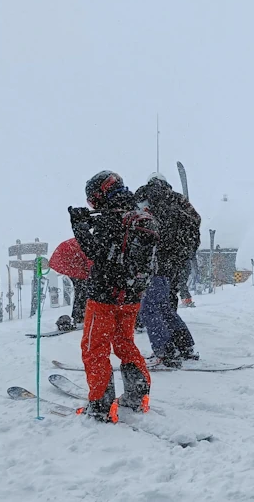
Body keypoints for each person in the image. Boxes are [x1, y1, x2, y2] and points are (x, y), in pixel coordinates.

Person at [69, 171, 155, 422]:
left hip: (104, 295)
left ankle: (100, 403)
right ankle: (138, 395)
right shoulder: (137, 214)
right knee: (124, 343)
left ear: (100, 192)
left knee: (94, 348)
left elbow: (97, 252)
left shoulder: (110, 217)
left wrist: (79, 226)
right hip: (131, 294)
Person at [134, 174, 200, 366]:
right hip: (176, 260)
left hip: (153, 260)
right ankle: (185, 345)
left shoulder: (143, 198)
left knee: (149, 309)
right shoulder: (178, 200)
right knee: (165, 306)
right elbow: (195, 224)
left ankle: (164, 350)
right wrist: (185, 253)